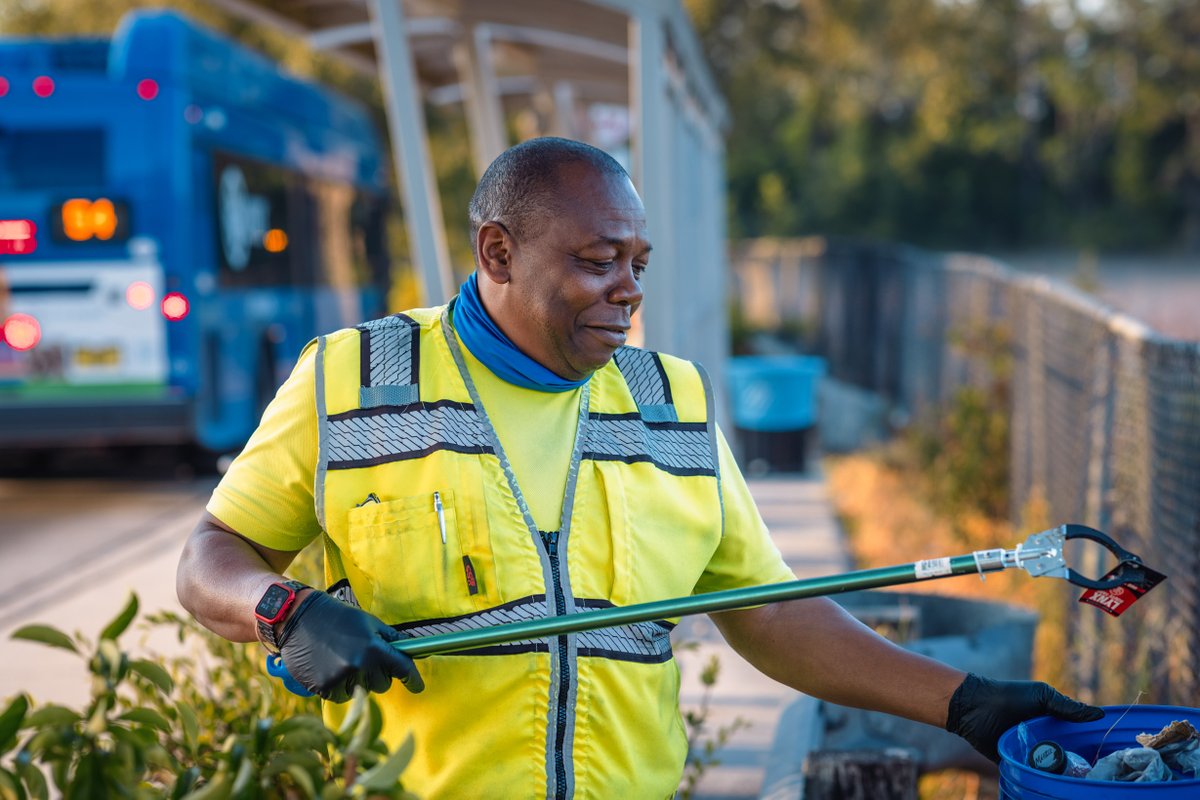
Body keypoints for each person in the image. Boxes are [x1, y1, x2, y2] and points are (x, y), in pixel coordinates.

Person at [177, 137, 1102, 797]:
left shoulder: (673, 400)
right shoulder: (352, 380)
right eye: (596, 261)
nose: (629, 289)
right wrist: (281, 609)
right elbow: (208, 559)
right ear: (497, 251)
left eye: (638, 261)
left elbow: (766, 609)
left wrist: (966, 702)